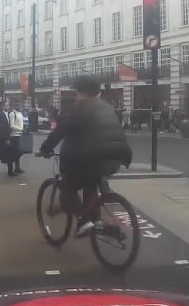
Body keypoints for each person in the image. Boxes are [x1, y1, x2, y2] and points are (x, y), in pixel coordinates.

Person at [38, 75, 133, 237]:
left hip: (92, 158)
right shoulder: (107, 107)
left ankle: (84, 221)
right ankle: (95, 220)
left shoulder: (78, 107)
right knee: (90, 183)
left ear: (79, 91)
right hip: (118, 156)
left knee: (67, 188)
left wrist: (45, 148)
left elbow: (60, 131)